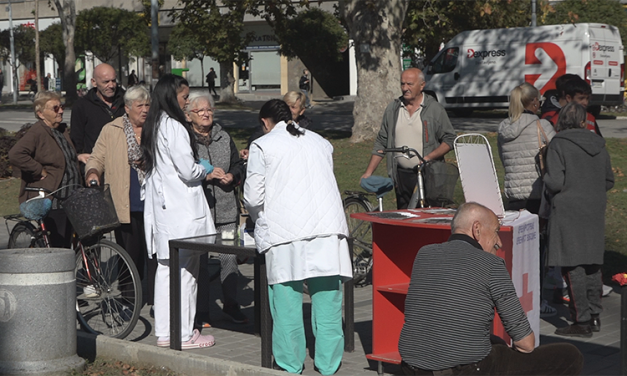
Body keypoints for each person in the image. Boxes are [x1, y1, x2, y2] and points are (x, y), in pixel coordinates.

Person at [399, 202, 584, 376]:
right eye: (496, 232)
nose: (499, 242)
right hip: (466, 370)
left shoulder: (424, 254)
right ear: (476, 229)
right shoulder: (491, 265)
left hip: (413, 367)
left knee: (495, 342)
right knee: (570, 355)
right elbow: (525, 343)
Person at [244, 99, 352, 375]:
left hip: (285, 232)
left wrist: (258, 220)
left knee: (287, 303)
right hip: (327, 229)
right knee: (328, 301)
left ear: (265, 122)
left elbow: (253, 196)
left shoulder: (262, 144)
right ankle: (329, 365)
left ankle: (290, 364)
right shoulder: (320, 142)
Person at [141, 74, 216, 349]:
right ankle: (183, 334)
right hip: (181, 212)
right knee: (186, 274)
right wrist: (203, 169)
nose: (187, 104)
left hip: (165, 213)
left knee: (165, 272)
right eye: (184, 98)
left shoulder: (155, 124)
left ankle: (165, 332)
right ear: (172, 97)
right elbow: (187, 169)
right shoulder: (173, 126)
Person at [85, 85, 158, 310]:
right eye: (140, 106)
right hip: (126, 203)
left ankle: (158, 302)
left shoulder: (156, 128)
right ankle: (129, 301)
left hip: (155, 203)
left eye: (148, 105)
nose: (145, 110)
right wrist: (92, 173)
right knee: (129, 255)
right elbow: (96, 158)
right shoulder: (112, 129)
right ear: (127, 108)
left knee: (156, 257)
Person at [545, 102, 614, 338]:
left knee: (572, 265)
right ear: (584, 122)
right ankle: (594, 316)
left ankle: (581, 320)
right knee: (592, 264)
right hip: (593, 209)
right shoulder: (598, 144)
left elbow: (554, 182)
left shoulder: (558, 144)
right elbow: (608, 180)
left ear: (561, 121)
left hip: (568, 209)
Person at [185, 92, 247, 327]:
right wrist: (207, 175)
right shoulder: (186, 140)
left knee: (229, 257)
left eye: (209, 109)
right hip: (200, 213)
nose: (206, 113)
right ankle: (201, 311)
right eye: (200, 110)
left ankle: (231, 305)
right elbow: (184, 169)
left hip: (227, 211)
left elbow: (237, 164)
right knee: (199, 261)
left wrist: (233, 175)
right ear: (190, 115)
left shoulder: (223, 136)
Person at [497, 82, 557, 317]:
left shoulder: (503, 129)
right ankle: (537, 299)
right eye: (539, 101)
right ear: (533, 103)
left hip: (513, 195)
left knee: (516, 252)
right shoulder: (542, 126)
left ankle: (513, 300)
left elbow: (505, 160)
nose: (540, 105)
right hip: (537, 195)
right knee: (538, 250)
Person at [361, 67, 456, 209]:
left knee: (425, 219)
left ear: (422, 85)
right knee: (404, 218)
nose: (405, 88)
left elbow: (449, 139)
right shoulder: (393, 109)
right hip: (401, 176)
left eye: (410, 84)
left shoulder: (435, 109)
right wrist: (368, 173)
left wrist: (428, 158)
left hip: (428, 175)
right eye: (402, 84)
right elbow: (381, 142)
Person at [9, 91, 81, 248]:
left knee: (77, 241)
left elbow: (62, 157)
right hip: (53, 199)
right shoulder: (38, 132)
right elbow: (15, 154)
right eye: (55, 108)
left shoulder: (61, 130)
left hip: (72, 196)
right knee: (59, 247)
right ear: (41, 114)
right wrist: (38, 170)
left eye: (61, 106)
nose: (61, 111)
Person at [71, 63, 126, 165]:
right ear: (94, 82)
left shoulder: (126, 101)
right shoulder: (82, 106)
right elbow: (76, 139)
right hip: (97, 166)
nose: (111, 85)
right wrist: (79, 156)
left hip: (123, 164)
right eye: (106, 82)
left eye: (113, 81)